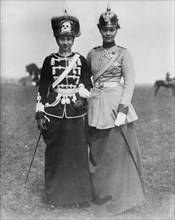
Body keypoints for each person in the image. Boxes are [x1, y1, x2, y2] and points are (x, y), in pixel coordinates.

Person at [86, 5, 145, 215]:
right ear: (100, 29)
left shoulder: (124, 54)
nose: (108, 33)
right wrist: (84, 93)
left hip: (116, 107)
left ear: (117, 30)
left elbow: (129, 84)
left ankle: (122, 199)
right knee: (97, 153)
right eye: (104, 29)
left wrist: (122, 110)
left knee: (117, 155)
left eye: (112, 29)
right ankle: (99, 195)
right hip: (95, 106)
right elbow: (86, 79)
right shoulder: (92, 53)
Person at [35, 10, 92, 209]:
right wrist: (40, 113)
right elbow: (43, 88)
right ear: (57, 38)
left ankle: (79, 196)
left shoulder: (81, 60)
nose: (65, 42)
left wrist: (82, 97)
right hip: (54, 111)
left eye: (69, 38)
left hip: (76, 111)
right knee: (55, 153)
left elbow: (87, 83)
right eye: (62, 38)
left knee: (77, 154)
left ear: (74, 38)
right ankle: (55, 197)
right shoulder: (49, 60)